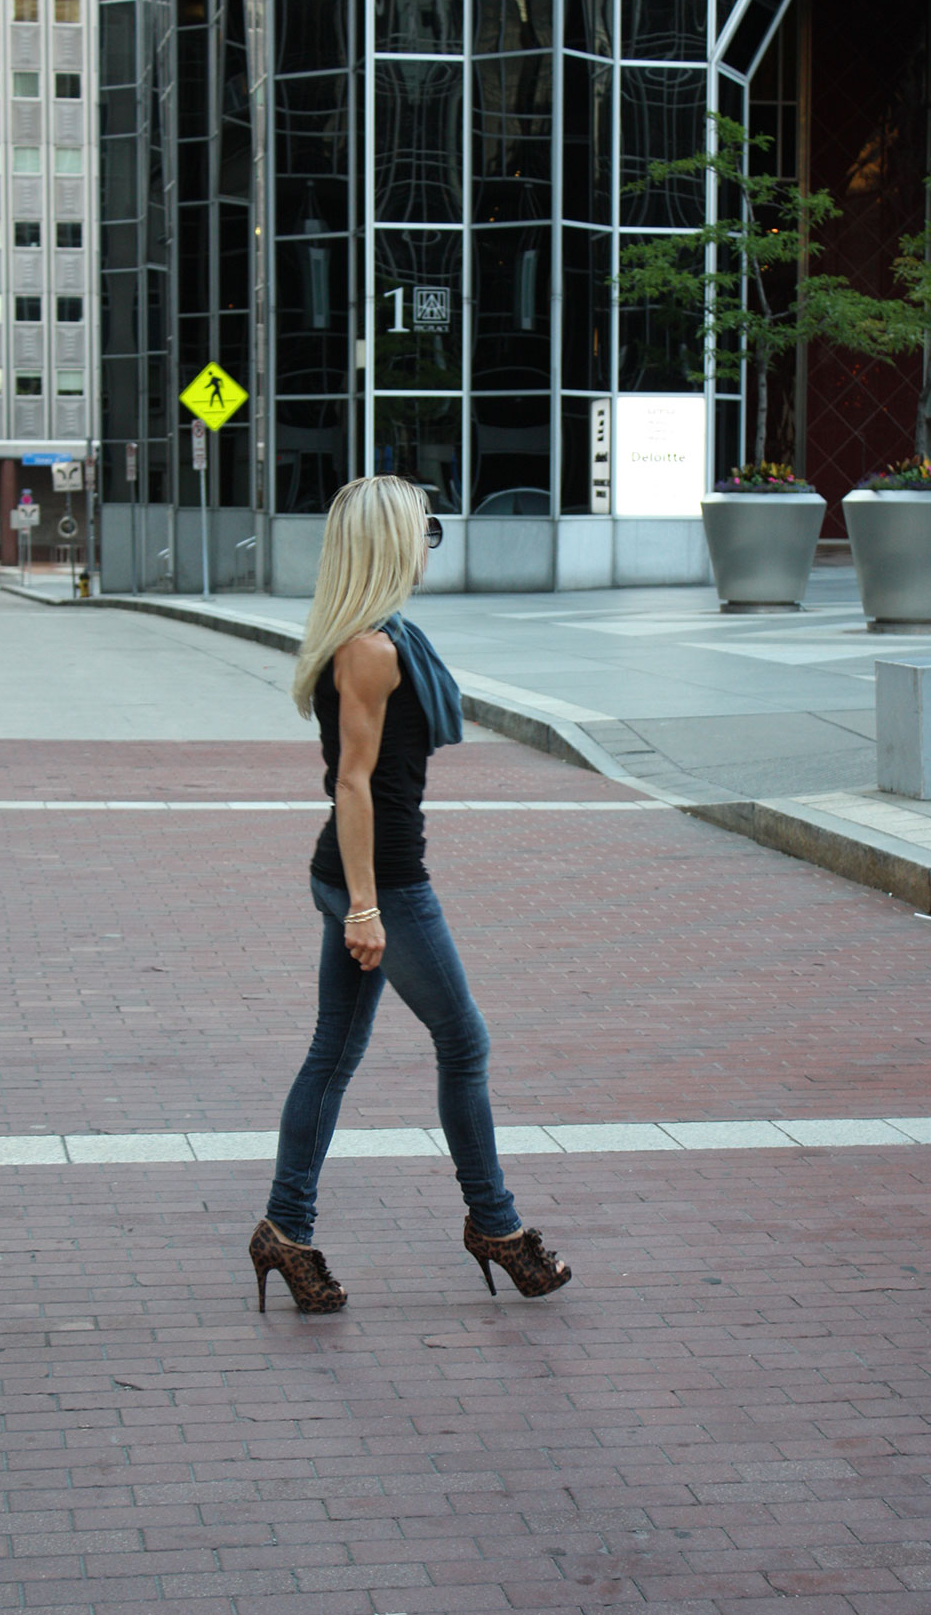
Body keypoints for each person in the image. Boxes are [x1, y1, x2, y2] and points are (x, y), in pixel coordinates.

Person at [249, 475, 571, 1313]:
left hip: (361, 873)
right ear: (390, 543)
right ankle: (494, 1224)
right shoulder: (372, 648)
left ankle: (285, 1230)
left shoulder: (381, 637)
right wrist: (364, 907)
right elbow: (352, 785)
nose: (431, 544)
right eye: (423, 531)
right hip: (381, 880)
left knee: (334, 1052)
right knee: (464, 1042)